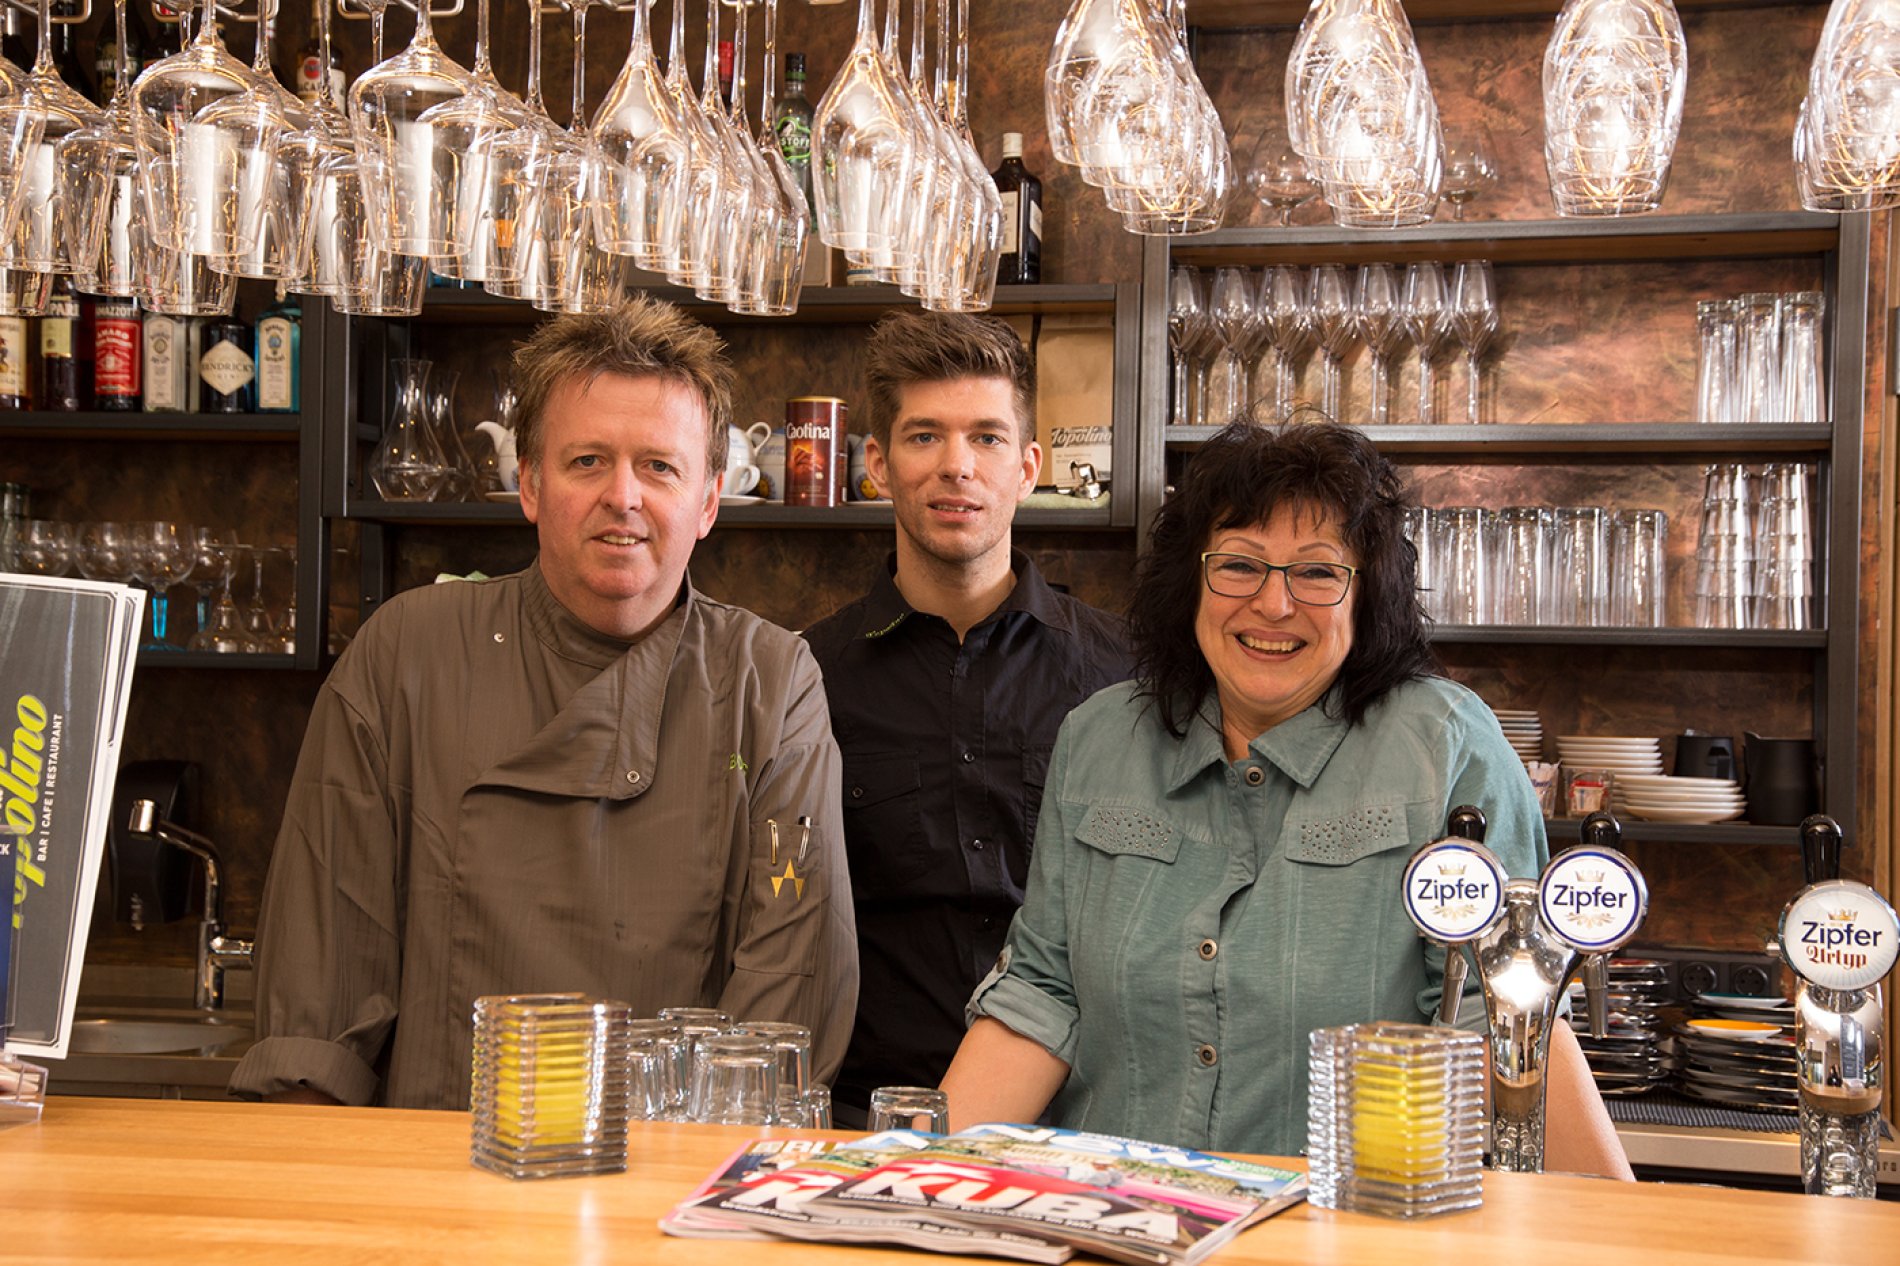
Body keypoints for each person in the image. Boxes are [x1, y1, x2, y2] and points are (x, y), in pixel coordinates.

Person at [939, 419, 1633, 1180]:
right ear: (1190, 581)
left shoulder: (1446, 746)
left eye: (1317, 572)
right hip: (1117, 1212)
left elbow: (1506, 1012)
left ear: (1367, 594)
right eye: (1239, 565)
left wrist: (1614, 1221)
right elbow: (1043, 994)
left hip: (1349, 1225)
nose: (1273, 604)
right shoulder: (1099, 737)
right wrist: (913, 1175)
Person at [229, 298, 858, 1110]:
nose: (623, 496)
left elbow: (786, 996)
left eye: (659, 467)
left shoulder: (770, 681)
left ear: (708, 501)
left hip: (673, 1174)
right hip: (430, 1171)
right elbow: (316, 1001)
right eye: (587, 461)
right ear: (528, 484)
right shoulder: (407, 654)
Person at [802, 312, 1133, 1122]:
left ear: (1027, 468)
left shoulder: (1126, 676)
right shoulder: (804, 678)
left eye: (986, 437)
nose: (957, 465)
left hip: (1081, 1122)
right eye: (925, 437)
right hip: (866, 1117)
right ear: (878, 465)